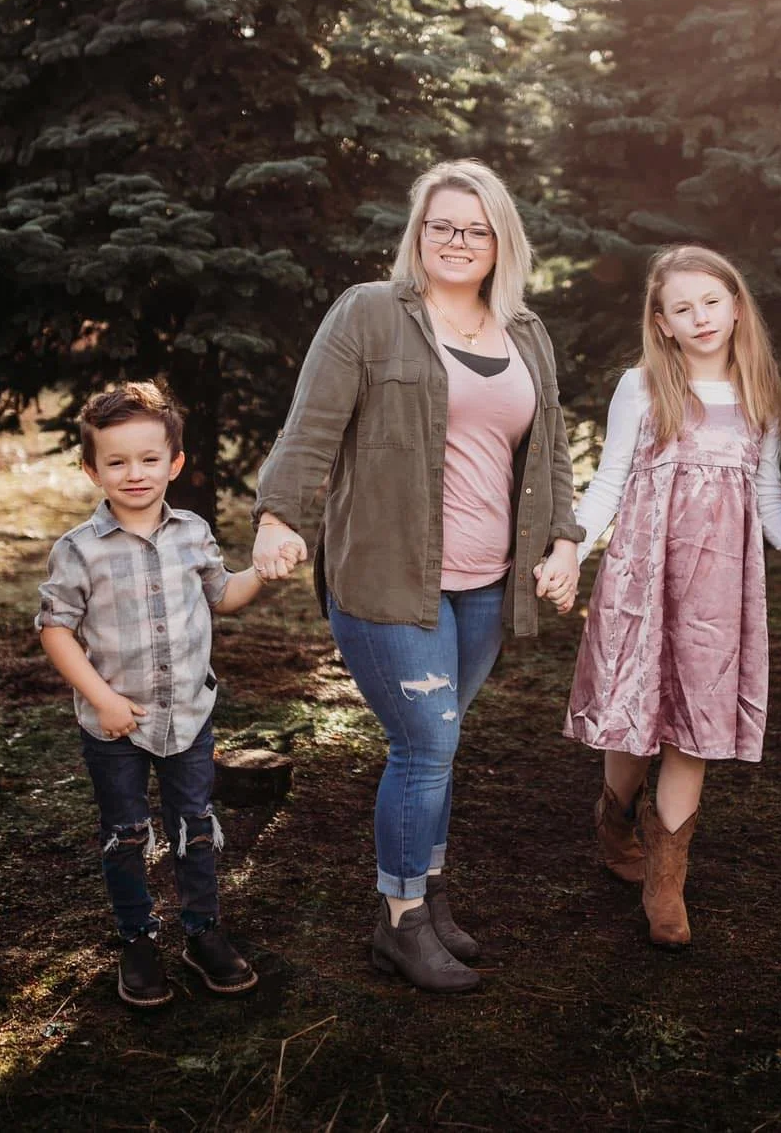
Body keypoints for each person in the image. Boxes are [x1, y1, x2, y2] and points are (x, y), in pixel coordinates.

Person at [250, 160, 581, 994]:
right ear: (418, 234)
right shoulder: (371, 313)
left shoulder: (526, 331)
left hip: (487, 585)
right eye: (442, 226)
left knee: (441, 744)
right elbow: (311, 425)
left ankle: (427, 898)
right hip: (391, 578)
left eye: (476, 229)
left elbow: (550, 452)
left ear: (501, 240)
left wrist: (564, 541)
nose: (458, 241)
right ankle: (399, 923)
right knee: (425, 743)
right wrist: (278, 516)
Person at [565, 245, 781, 948]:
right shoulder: (642, 387)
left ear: (737, 306)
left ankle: (666, 881)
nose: (700, 318)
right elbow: (608, 483)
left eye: (712, 302)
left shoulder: (760, 392)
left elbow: (769, 497)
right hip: (642, 578)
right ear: (661, 322)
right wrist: (568, 549)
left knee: (693, 720)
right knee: (634, 715)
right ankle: (616, 818)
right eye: (682, 308)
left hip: (718, 591)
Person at [36, 381, 268, 1006]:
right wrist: (102, 699)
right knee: (126, 833)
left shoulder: (193, 532)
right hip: (115, 724)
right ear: (92, 470)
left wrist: (264, 571)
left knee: (195, 826)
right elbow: (55, 630)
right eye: (116, 462)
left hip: (188, 715)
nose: (134, 473)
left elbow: (223, 595)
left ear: (175, 463)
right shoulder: (78, 551)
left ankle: (202, 932)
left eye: (148, 459)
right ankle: (137, 940)